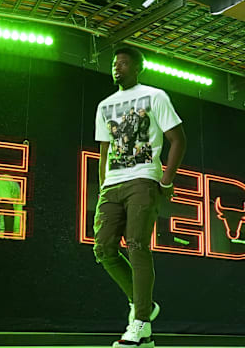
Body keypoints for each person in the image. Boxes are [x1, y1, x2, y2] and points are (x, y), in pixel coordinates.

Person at [93, 46, 186, 348]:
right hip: (113, 184)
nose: (116, 67)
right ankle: (141, 302)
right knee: (103, 248)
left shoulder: (155, 96)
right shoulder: (105, 105)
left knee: (136, 245)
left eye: (123, 63)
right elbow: (104, 151)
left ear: (137, 68)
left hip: (144, 180)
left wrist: (167, 179)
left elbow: (178, 139)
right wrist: (102, 186)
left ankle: (141, 322)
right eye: (113, 63)